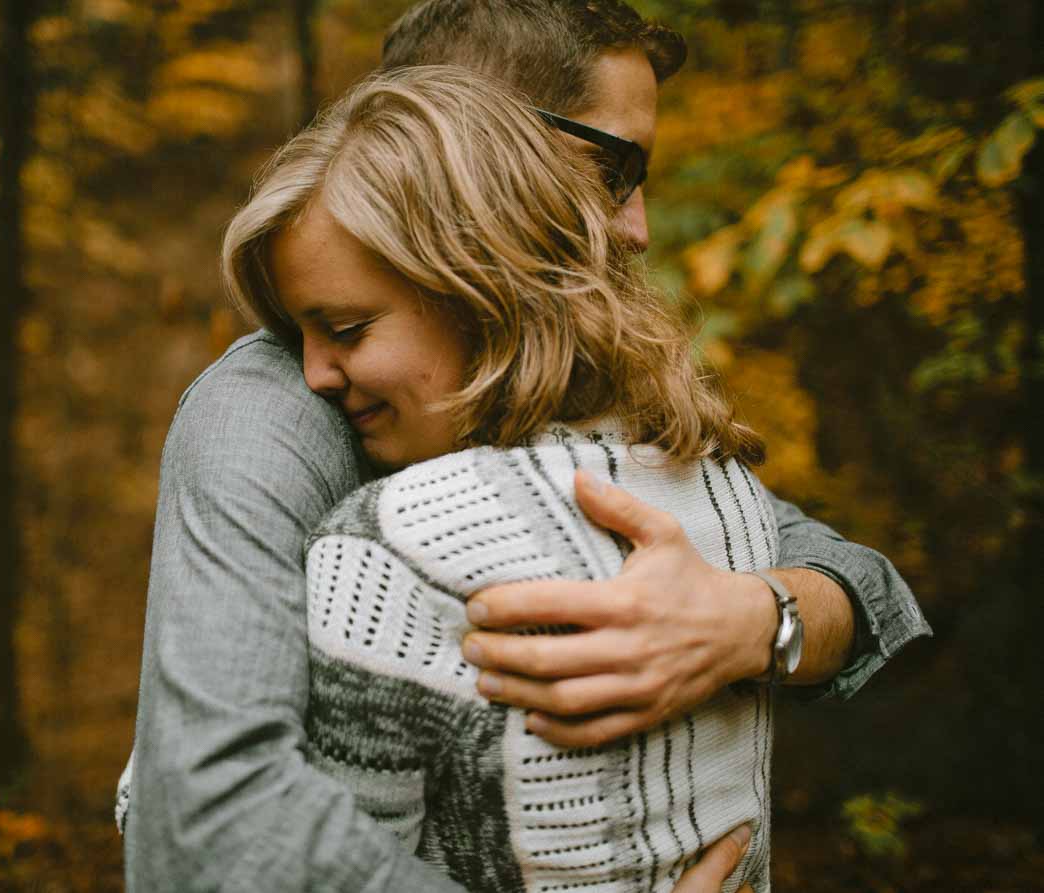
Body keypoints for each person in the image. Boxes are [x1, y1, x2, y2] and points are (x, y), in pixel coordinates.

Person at [120, 2, 929, 890]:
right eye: (615, 168)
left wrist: (748, 621)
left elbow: (856, 584)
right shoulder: (273, 418)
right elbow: (210, 819)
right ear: (467, 153)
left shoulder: (577, 403)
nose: (636, 227)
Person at [227, 64, 779, 891]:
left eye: (344, 328)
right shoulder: (728, 487)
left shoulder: (391, 544)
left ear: (479, 286)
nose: (314, 376)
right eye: (296, 336)